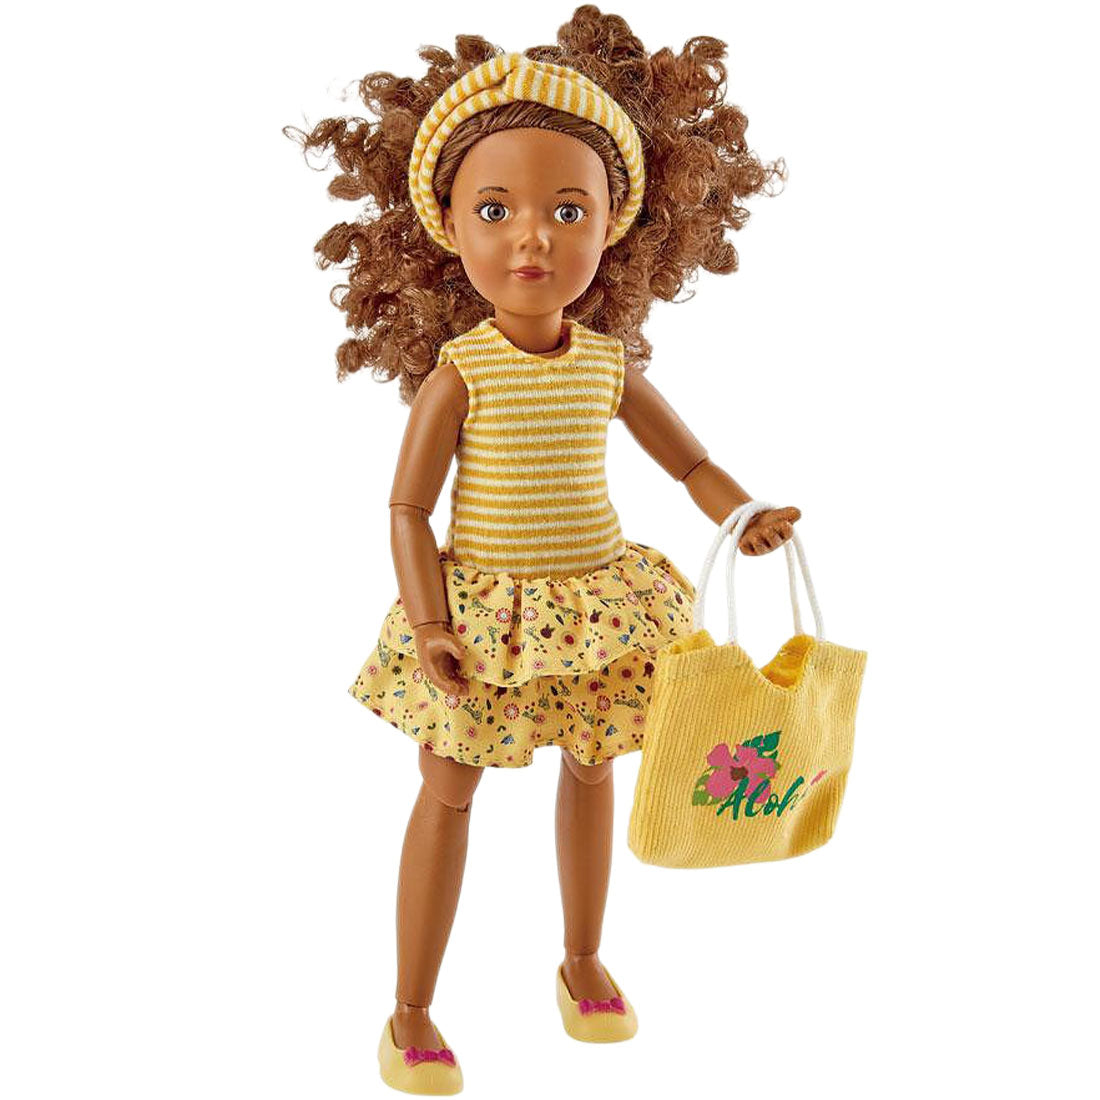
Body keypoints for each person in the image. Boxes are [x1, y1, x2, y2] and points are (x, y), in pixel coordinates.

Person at [287, 7, 800, 1093]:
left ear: (615, 225)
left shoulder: (606, 363)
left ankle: (581, 958)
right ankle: (410, 1008)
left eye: (568, 210)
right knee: (449, 786)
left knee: (593, 766)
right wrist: (430, 620)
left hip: (599, 601)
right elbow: (407, 509)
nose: (532, 239)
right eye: (496, 210)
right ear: (446, 227)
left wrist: (739, 513)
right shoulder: (461, 372)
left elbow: (689, 461)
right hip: (484, 614)